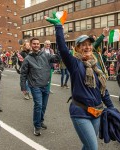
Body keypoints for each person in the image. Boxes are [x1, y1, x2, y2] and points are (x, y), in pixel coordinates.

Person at [45, 14, 114, 150]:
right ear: (77, 48)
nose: (87, 47)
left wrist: (112, 108)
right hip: (80, 112)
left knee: (87, 147)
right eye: (83, 45)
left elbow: (103, 90)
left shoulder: (96, 65)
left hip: (97, 112)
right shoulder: (74, 63)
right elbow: (63, 49)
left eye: (89, 45)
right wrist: (59, 27)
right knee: (93, 147)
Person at [20, 37, 59, 136]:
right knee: (38, 105)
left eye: (37, 44)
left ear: (39, 45)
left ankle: (41, 121)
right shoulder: (28, 59)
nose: (36, 45)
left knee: (44, 106)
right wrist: (23, 88)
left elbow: (57, 58)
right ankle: (37, 126)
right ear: (31, 45)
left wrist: (59, 43)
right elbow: (23, 74)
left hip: (46, 85)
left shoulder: (46, 55)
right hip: (35, 86)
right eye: (34, 44)